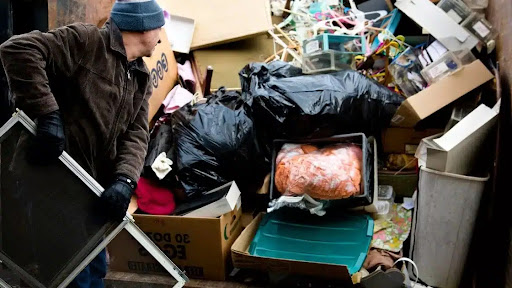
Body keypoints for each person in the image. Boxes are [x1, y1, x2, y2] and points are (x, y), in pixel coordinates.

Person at [0, 0, 165, 287]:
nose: (162, 35)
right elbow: (18, 49)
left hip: (91, 189)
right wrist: (48, 114)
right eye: (159, 25)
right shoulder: (86, 41)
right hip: (53, 181)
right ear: (142, 27)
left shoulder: (140, 76)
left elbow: (137, 134)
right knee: (72, 277)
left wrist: (124, 180)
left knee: (95, 270)